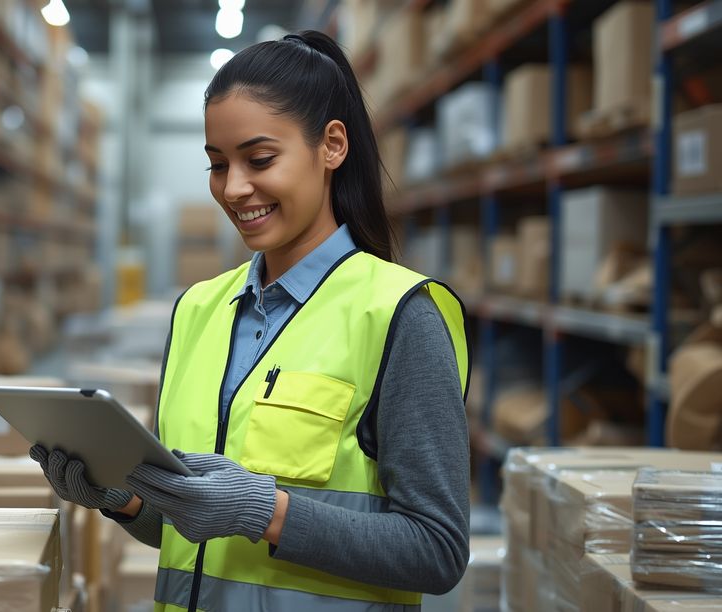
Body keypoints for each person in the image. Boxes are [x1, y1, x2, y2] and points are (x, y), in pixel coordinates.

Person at [31, 30, 471, 612]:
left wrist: (269, 513)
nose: (234, 188)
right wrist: (124, 499)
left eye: (260, 160)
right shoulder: (197, 311)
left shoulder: (398, 314)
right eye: (217, 164)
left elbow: (436, 550)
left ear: (332, 146)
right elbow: (192, 538)